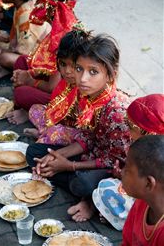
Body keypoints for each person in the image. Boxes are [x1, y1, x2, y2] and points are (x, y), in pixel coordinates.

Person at [26, 33, 131, 222]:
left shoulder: (116, 112)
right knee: (34, 152)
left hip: (114, 170)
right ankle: (64, 175)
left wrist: (69, 165)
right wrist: (57, 157)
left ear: (111, 73)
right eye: (79, 69)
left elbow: (115, 162)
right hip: (91, 156)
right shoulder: (87, 95)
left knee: (81, 183)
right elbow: (87, 137)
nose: (82, 79)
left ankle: (89, 198)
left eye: (93, 72)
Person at [92, 93, 164, 230]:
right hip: (146, 191)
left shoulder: (155, 154)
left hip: (153, 199)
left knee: (107, 190)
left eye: (130, 126)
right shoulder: (142, 145)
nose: (126, 129)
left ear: (146, 132)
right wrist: (124, 174)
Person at [6, 0, 79, 125]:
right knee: (22, 61)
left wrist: (29, 80)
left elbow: (53, 87)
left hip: (66, 98)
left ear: (49, 7)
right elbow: (47, 67)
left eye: (39, 2)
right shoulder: (61, 23)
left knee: (22, 93)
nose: (36, 5)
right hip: (58, 83)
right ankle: (25, 107)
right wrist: (29, 74)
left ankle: (31, 112)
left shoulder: (63, 37)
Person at [24, 29, 92, 145]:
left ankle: (44, 136)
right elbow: (54, 108)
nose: (67, 71)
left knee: (55, 133)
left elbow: (86, 129)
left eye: (74, 66)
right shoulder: (65, 82)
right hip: (61, 123)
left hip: (80, 134)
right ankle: (44, 133)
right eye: (63, 64)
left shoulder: (87, 86)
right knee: (35, 110)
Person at [0, 0, 50, 79]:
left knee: (4, 58)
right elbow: (16, 39)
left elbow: (25, 52)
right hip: (25, 48)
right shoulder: (20, 6)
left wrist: (0, 51)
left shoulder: (26, 14)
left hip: (39, 58)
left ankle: (13, 70)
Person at [121, 135, 164, 245]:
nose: (122, 172)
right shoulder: (141, 204)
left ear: (148, 183)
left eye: (127, 169)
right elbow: (126, 242)